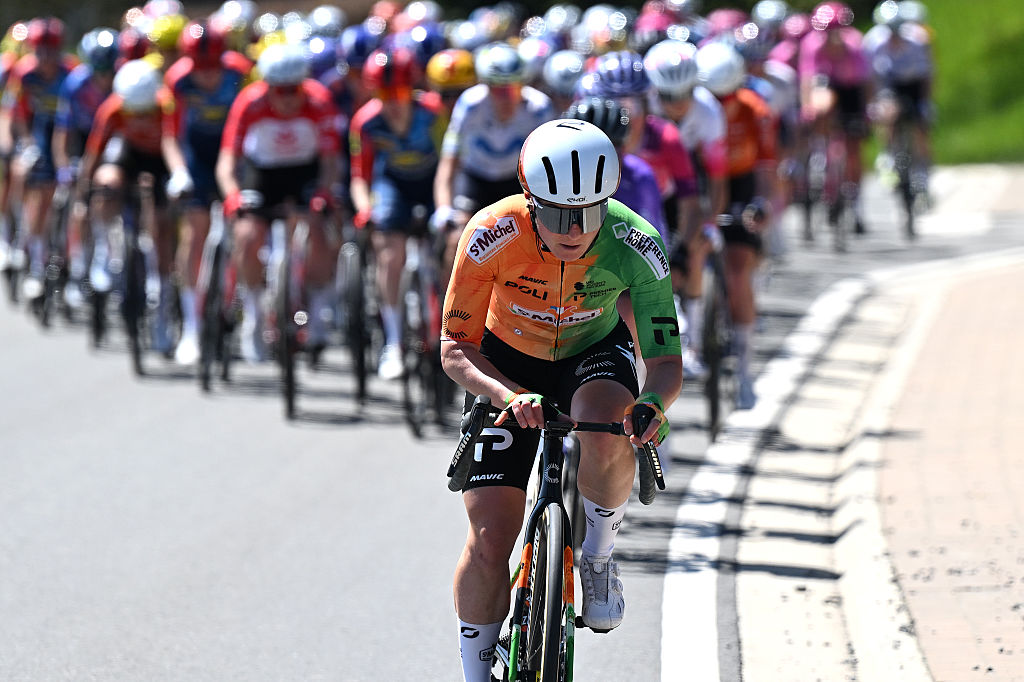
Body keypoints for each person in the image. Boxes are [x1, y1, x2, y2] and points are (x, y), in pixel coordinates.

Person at [440, 119, 682, 682]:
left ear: (609, 200)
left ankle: (595, 556)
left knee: (611, 423)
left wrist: (651, 404)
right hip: (505, 363)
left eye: (589, 212)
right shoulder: (490, 234)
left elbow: (666, 362)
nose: (573, 229)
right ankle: (476, 674)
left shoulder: (637, 244)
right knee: (488, 538)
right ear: (529, 201)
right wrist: (506, 393)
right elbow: (455, 347)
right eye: (554, 214)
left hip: (591, 353)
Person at [216, 43, 341, 363]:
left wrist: (324, 192)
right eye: (278, 90)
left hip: (304, 172)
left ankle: (315, 312)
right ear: (267, 86)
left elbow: (330, 160)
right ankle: (255, 315)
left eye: (292, 90)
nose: (286, 98)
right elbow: (227, 160)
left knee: (318, 229)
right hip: (263, 174)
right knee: (246, 235)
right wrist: (232, 195)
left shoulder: (318, 101)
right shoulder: (250, 102)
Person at [433, 41, 555, 294]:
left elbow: (550, 167)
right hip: (476, 178)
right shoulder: (469, 105)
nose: (507, 98)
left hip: (516, 181)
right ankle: (449, 311)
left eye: (514, 89)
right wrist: (444, 208)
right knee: (458, 240)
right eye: (499, 91)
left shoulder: (539, 108)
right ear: (485, 87)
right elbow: (449, 163)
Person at [348, 46, 441, 380]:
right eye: (384, 93)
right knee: (389, 251)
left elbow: (450, 159)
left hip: (431, 181)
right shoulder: (365, 122)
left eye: (399, 92)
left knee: (447, 246)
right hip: (392, 185)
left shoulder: (433, 112)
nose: (393, 101)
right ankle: (394, 342)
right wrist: (364, 209)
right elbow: (360, 175)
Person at [695, 41, 778, 410]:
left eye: (728, 95)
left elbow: (765, 167)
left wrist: (762, 205)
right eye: (714, 95)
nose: (721, 103)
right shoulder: (695, 110)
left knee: (738, 268)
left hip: (741, 185)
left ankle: (744, 368)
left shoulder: (754, 109)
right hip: (700, 183)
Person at [162, 19, 249, 365]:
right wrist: (179, 172)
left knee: (244, 231)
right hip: (197, 157)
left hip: (236, 157)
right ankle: (192, 327)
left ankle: (242, 303)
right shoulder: (178, 80)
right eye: (202, 67)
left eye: (214, 66)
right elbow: (170, 135)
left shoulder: (241, 73)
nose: (209, 75)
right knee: (193, 234)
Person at [0, 17, 75, 301]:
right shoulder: (23, 73)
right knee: (22, 174)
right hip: (35, 131)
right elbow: (13, 114)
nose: (45, 56)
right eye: (39, 49)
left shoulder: (71, 73)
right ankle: (18, 237)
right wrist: (14, 145)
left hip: (68, 132)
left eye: (51, 49)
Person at [799, 1, 871, 234]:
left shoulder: (855, 45)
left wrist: (866, 113)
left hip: (851, 91)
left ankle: (856, 204)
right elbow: (807, 82)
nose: (832, 37)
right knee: (822, 101)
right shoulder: (812, 45)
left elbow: (864, 84)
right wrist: (808, 109)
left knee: (854, 149)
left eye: (837, 31)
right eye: (827, 32)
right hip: (826, 90)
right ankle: (821, 156)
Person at [864, 0, 933, 194]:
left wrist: (926, 102)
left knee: (921, 125)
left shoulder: (917, 40)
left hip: (913, 84)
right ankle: (889, 154)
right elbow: (869, 78)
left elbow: (927, 75)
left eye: (897, 29)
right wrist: (873, 103)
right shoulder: (873, 43)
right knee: (887, 114)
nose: (893, 34)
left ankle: (923, 172)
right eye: (889, 29)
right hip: (888, 85)